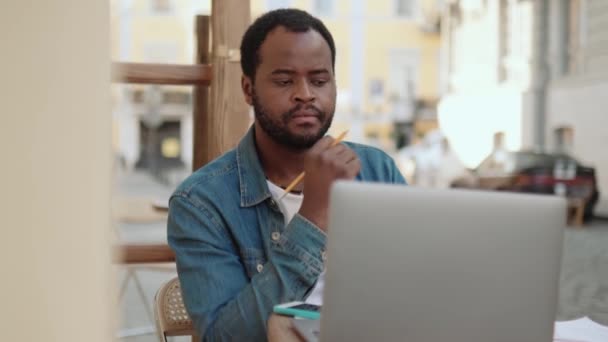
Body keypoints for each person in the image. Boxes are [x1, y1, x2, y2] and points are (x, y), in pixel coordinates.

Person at [167, 8, 406, 341]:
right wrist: (313, 218)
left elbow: (412, 295)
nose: (305, 93)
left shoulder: (377, 171)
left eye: (319, 80)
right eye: (284, 80)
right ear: (248, 89)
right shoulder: (200, 203)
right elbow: (225, 337)